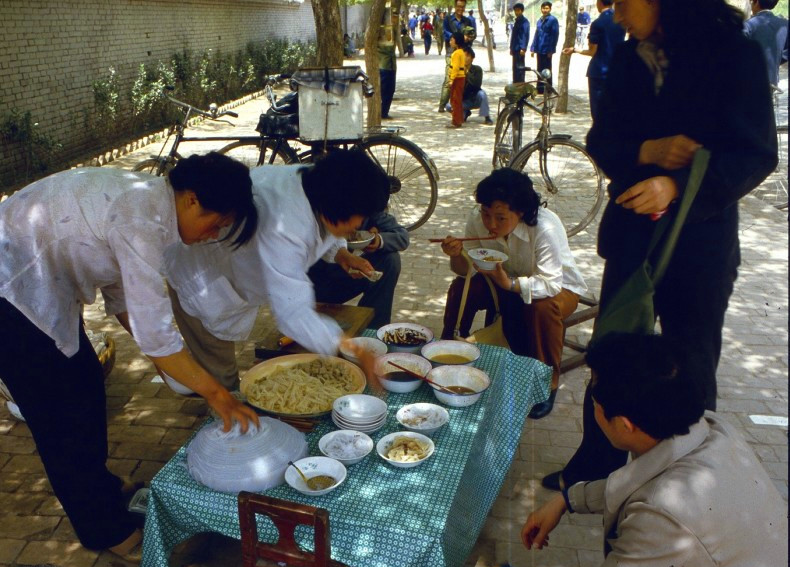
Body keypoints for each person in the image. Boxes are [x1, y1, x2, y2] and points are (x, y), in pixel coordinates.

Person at [0, 154, 261, 557]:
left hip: (35, 286)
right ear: (191, 200)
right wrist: (217, 394)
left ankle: (99, 486)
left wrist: (165, 359)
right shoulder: (142, 217)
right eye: (218, 222)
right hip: (2, 289)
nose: (214, 234)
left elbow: (125, 298)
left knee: (84, 387)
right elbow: (156, 331)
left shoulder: (153, 202)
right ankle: (103, 530)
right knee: (60, 419)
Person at [543, 0, 778, 491]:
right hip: (633, 234)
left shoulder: (735, 56)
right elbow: (602, 139)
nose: (618, 15)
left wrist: (676, 185)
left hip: (700, 244)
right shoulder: (632, 58)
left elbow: (756, 153)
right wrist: (645, 153)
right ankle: (594, 468)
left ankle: (687, 482)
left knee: (690, 363)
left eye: (626, 3)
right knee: (611, 353)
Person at [481, 333, 789, 567]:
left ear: (625, 425)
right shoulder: (711, 429)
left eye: (594, 400)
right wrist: (568, 499)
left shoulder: (666, 519)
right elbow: (643, 480)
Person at [165, 149, 390, 391]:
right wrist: (353, 349)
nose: (359, 226)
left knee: (220, 375)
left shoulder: (318, 182)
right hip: (202, 281)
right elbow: (292, 312)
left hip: (231, 275)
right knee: (219, 382)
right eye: (359, 217)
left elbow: (321, 224)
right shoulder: (284, 225)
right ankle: (220, 418)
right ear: (338, 205)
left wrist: (340, 252)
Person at [440, 168, 587, 419]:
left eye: (500, 217)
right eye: (486, 214)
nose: (490, 224)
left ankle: (546, 384)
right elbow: (468, 272)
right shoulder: (477, 218)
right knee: (460, 289)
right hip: (504, 279)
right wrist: (456, 256)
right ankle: (449, 350)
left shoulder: (544, 227)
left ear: (520, 211)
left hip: (557, 289)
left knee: (541, 308)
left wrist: (509, 284)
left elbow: (551, 284)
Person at [307, 211, 409, 329]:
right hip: (311, 282)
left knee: (390, 260)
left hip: (344, 276)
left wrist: (378, 240)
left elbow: (402, 235)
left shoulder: (371, 210)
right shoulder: (314, 208)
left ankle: (373, 332)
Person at [562, 0, 627, 120]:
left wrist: (575, 50)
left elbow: (592, 51)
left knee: (598, 113)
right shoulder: (621, 21)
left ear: (599, 3)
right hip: (617, 69)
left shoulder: (598, 23)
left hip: (598, 72)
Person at [440, 0, 474, 112]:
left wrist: (469, 38)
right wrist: (459, 37)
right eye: (459, 6)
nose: (461, 9)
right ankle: (442, 104)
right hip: (451, 53)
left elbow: (473, 35)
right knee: (449, 78)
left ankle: (459, 106)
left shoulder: (468, 21)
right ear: (455, 6)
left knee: (462, 79)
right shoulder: (448, 20)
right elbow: (445, 33)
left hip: (464, 53)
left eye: (463, 7)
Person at [744, 0, 789, 87]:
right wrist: (778, 58)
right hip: (772, 83)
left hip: (749, 83)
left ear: (756, 2)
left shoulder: (748, 25)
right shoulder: (785, 24)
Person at [445, 48, 493, 125]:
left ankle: (487, 117)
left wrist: (466, 73)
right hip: (463, 100)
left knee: (482, 94)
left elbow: (476, 84)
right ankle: (465, 112)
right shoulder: (457, 71)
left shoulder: (477, 69)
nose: (465, 58)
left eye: (467, 56)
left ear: (472, 58)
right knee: (448, 106)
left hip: (474, 97)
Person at [530, 2, 559, 94]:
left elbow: (555, 36)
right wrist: (533, 48)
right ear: (541, 9)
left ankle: (548, 89)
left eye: (547, 8)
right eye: (543, 8)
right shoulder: (539, 21)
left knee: (547, 70)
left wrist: (551, 50)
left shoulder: (553, 20)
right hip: (539, 49)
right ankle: (540, 89)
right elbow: (536, 35)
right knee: (539, 69)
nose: (545, 10)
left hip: (547, 50)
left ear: (550, 9)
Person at [447, 33, 472, 128]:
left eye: (452, 40)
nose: (450, 42)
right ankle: (458, 119)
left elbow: (455, 68)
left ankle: (456, 121)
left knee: (455, 100)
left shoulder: (456, 53)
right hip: (461, 77)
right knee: (456, 99)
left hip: (457, 78)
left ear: (457, 41)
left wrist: (451, 79)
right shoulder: (461, 52)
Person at [509, 3, 530, 83]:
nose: (516, 12)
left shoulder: (524, 22)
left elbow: (525, 35)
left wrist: (523, 48)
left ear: (522, 11)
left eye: (518, 10)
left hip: (520, 49)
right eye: (515, 11)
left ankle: (520, 84)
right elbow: (513, 36)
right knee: (515, 68)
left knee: (520, 68)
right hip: (515, 48)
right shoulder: (517, 21)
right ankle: (515, 83)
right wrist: (511, 48)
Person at [379, 30, 397, 119]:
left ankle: (384, 112)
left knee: (390, 90)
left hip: (390, 65)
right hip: (383, 65)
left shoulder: (392, 30)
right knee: (384, 90)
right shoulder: (380, 29)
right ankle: (382, 112)